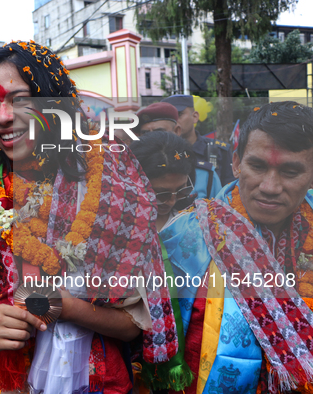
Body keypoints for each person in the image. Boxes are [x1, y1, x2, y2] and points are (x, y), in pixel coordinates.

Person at [0, 41, 179, 394]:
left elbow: (136, 324)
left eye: (21, 100)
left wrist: (66, 306)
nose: (3, 117)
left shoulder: (110, 184)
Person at [158, 101, 313, 393]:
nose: (269, 186)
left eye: (290, 171)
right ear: (236, 162)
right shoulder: (182, 236)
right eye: (257, 165)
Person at [135, 102, 222, 199]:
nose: (152, 139)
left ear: (177, 131)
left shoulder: (205, 175)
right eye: (146, 134)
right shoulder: (131, 173)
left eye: (159, 132)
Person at [161, 94, 235, 186]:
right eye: (170, 117)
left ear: (195, 116)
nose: (175, 121)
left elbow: (230, 190)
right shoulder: (160, 153)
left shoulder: (218, 151)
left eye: (179, 114)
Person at [130, 131, 197, 231]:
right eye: (162, 195)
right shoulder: (121, 224)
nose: (171, 202)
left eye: (181, 192)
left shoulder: (194, 219)